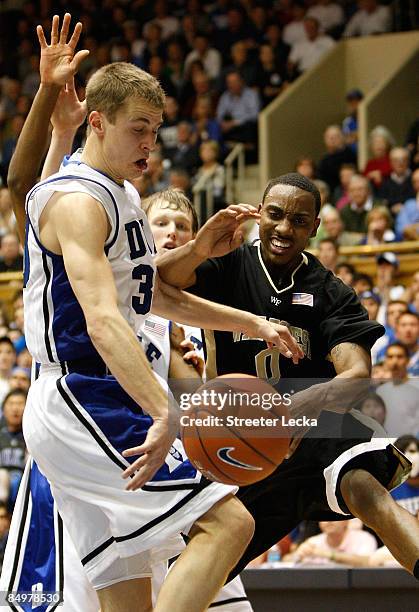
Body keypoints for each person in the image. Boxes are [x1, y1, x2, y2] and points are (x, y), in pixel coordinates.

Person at [15, 14, 301, 612]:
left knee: (128, 593)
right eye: (138, 129)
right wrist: (163, 409)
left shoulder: (121, 195)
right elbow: (102, 317)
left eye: (157, 130)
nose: (151, 143)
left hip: (102, 394)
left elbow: (155, 297)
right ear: (97, 122)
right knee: (228, 525)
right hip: (82, 394)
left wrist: (254, 324)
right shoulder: (77, 202)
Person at [158, 172, 419, 582]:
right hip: (242, 438)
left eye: (299, 221)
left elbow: (356, 375)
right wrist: (197, 248)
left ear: (315, 228)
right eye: (275, 215)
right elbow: (154, 283)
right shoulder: (228, 266)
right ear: (259, 215)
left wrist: (297, 406)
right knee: (206, 563)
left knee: (365, 490)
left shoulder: (332, 292)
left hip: (316, 432)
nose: (284, 228)